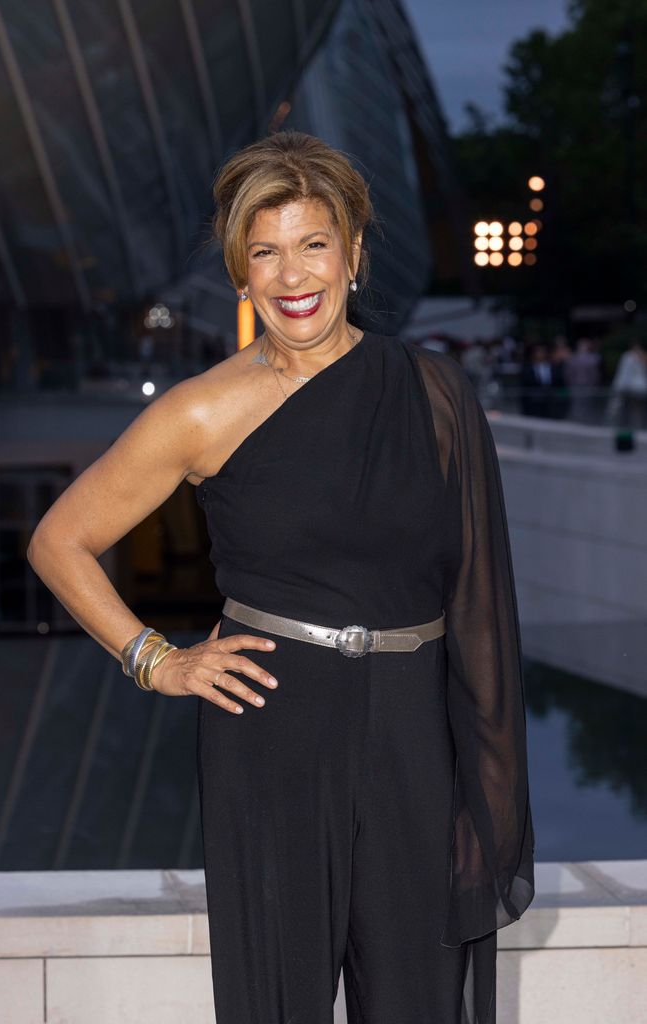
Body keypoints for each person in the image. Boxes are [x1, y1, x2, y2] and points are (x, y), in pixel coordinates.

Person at [27, 130, 535, 1024]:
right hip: (271, 726)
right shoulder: (200, 410)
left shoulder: (434, 393)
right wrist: (156, 659)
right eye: (264, 251)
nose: (292, 275)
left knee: (417, 1001)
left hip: (413, 729)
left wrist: (487, 786)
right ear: (239, 271)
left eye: (312, 244)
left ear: (353, 254)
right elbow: (59, 540)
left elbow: (479, 600)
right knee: (277, 1002)